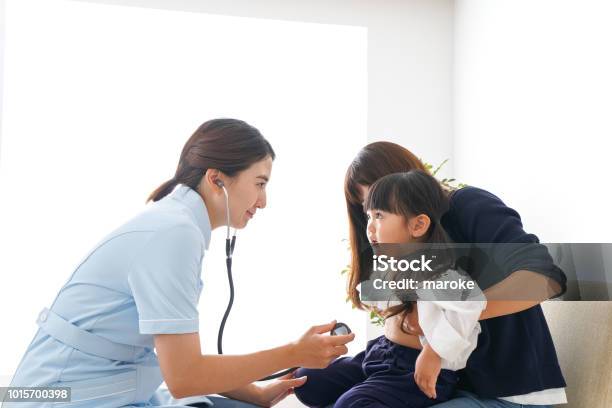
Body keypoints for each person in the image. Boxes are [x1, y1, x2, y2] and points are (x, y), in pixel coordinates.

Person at [4, 119, 355, 408]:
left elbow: (172, 358)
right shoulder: (174, 234)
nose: (263, 201)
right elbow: (186, 377)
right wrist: (295, 352)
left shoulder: (176, 225)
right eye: (259, 183)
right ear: (217, 179)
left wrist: (254, 392)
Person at [295, 141, 567, 407]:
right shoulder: (407, 248)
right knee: (308, 381)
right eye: (368, 210)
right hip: (428, 367)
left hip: (501, 388)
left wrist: (444, 325)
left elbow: (546, 279)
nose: (373, 225)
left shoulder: (467, 206)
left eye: (381, 209)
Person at [295, 170, 486, 407]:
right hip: (383, 352)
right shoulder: (394, 262)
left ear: (418, 225)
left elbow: (472, 303)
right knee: (307, 380)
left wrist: (434, 352)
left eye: (379, 216)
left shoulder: (441, 272)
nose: (370, 227)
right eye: (368, 217)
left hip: (419, 368)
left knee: (352, 403)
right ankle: (367, 388)